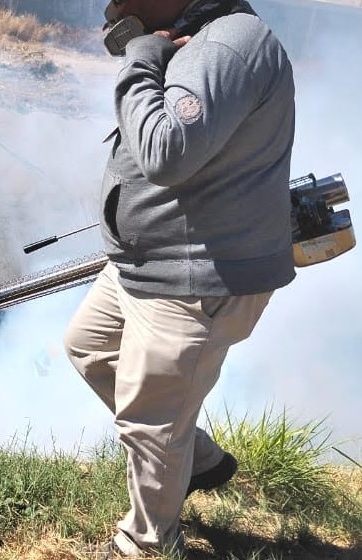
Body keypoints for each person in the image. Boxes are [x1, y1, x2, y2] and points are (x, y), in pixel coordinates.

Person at [64, 0, 296, 557]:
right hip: (150, 264)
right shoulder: (200, 37)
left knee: (149, 421)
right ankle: (199, 460)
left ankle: (147, 543)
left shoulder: (225, 45)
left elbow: (167, 153)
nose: (110, 6)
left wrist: (141, 57)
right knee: (90, 347)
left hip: (192, 279)